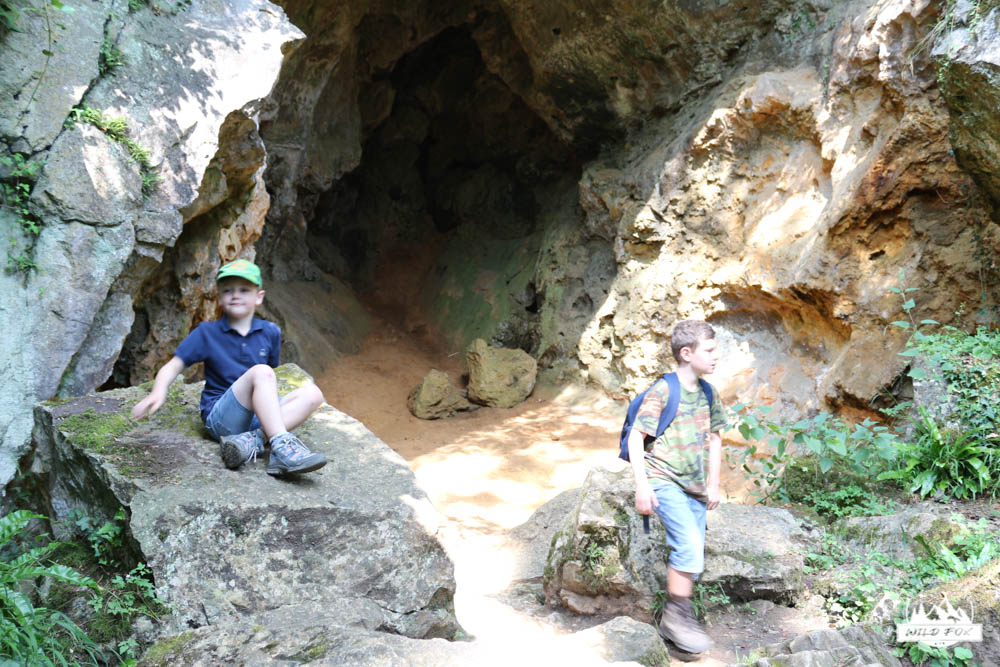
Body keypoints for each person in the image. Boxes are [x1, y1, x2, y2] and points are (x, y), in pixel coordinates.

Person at [131, 259, 328, 476]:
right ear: (219, 297)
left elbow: (270, 380)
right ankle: (280, 444)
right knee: (261, 372)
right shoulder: (207, 332)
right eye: (228, 290)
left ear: (259, 297)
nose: (235, 295)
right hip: (222, 417)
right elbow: (173, 366)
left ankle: (250, 441)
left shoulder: (270, 331)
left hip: (256, 416)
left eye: (244, 290)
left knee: (313, 394)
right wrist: (158, 392)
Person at [627, 320, 725, 655]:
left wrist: (713, 484)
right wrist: (642, 487)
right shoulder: (664, 390)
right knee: (689, 544)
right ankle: (677, 617)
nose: (716, 356)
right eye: (709, 350)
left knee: (694, 551)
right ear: (686, 353)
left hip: (694, 487)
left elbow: (715, 439)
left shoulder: (709, 393)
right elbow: (636, 437)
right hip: (662, 478)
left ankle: (676, 628)